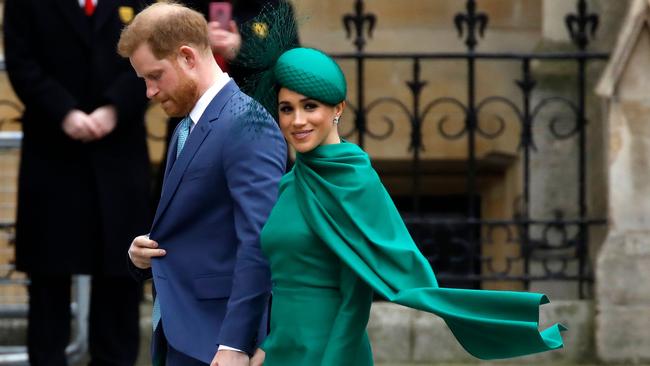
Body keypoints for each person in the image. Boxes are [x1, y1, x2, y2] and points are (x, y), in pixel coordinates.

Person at [245, 47, 567, 364]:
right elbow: (283, 282)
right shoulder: (290, 182)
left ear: (338, 108)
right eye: (286, 109)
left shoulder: (354, 181)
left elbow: (354, 300)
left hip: (329, 352)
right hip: (281, 350)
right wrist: (267, 347)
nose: (297, 120)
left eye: (310, 106)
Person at [117, 2, 286, 366]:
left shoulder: (246, 123)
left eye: (155, 76)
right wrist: (140, 255)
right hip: (182, 332)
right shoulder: (186, 125)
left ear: (187, 56)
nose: (149, 91)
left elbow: (260, 242)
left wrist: (236, 344)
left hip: (217, 342)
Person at [3, 1, 153, 364]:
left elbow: (154, 54)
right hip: (52, 150)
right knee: (48, 280)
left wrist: (114, 107)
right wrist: (64, 111)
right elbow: (21, 60)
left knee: (122, 276)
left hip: (120, 150)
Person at [153, 0, 299, 206]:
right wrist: (197, 46)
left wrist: (241, 49)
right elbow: (155, 61)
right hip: (192, 130)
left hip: (256, 133)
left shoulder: (273, 6)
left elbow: (289, 69)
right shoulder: (178, 7)